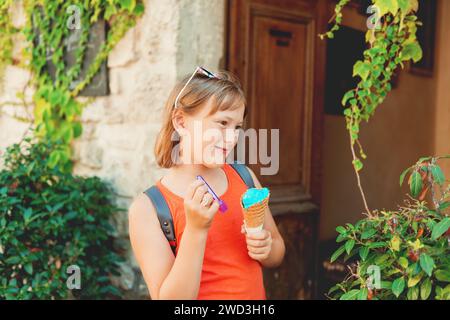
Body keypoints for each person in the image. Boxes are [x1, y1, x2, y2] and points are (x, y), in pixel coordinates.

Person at [128, 67, 285, 300]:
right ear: (181, 122)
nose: (232, 138)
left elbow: (277, 250)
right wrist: (196, 229)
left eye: (237, 127)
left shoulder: (245, 178)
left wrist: (266, 248)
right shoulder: (148, 209)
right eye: (222, 123)